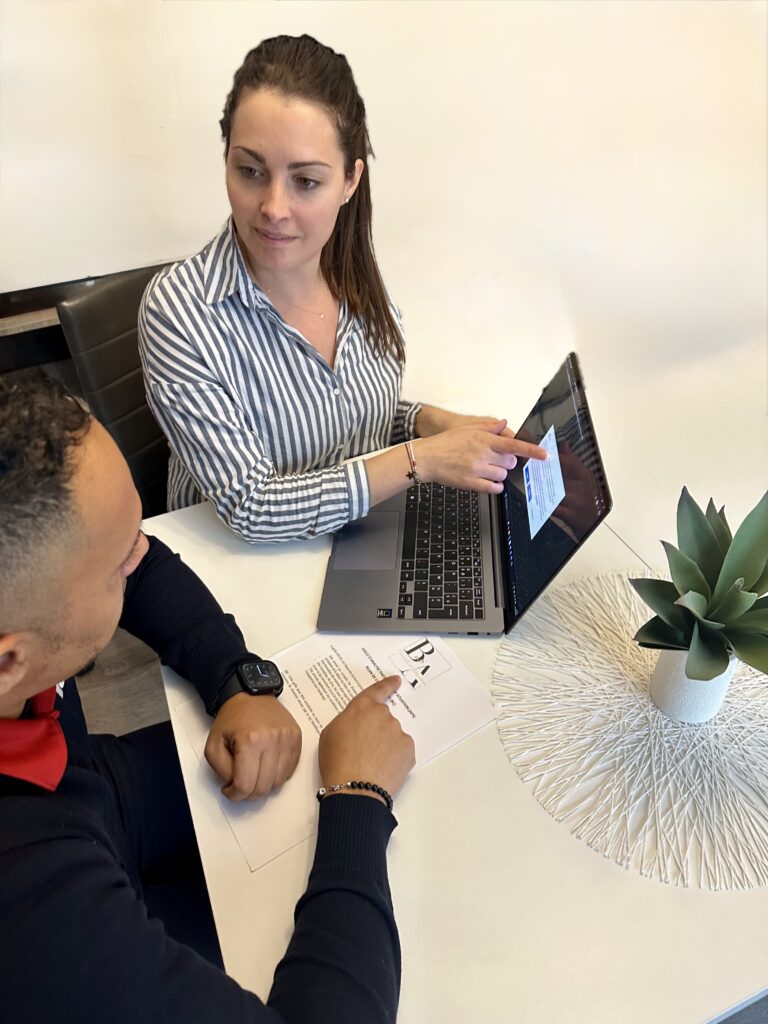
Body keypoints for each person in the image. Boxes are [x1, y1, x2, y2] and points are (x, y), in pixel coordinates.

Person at [0, 369, 415, 1023]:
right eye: (116, 566)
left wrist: (236, 681)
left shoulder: (21, 637)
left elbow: (145, 565)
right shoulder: (35, 913)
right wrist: (359, 800)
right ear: (10, 661)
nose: (140, 559)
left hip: (95, 794)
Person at [138, 33, 546, 542]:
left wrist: (427, 422)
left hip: (348, 543)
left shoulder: (351, 277)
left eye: (306, 181)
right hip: (235, 566)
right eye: (250, 171)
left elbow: (341, 424)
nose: (274, 208)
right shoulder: (179, 311)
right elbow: (251, 505)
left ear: (350, 181)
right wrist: (420, 459)